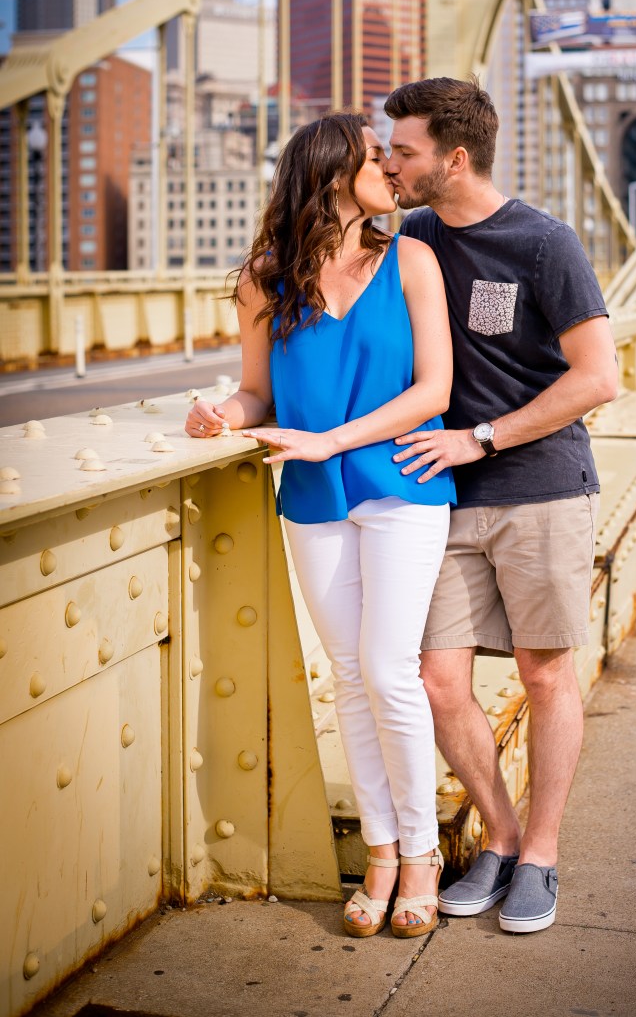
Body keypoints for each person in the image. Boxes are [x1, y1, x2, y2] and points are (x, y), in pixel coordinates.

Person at [184, 113, 456, 939]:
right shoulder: (265, 278)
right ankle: (379, 853)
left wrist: (332, 438)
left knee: (387, 668)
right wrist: (221, 415)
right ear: (334, 171)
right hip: (311, 492)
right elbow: (258, 391)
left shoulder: (412, 260)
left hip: (403, 483)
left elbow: (434, 391)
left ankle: (421, 856)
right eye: (379, 157)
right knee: (347, 673)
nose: (393, 171)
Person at [383, 76, 619, 935]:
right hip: (439, 497)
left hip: (541, 489)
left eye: (402, 150)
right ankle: (503, 838)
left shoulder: (544, 243)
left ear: (452, 156)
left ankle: (544, 856)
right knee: (439, 679)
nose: (388, 162)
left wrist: (482, 437)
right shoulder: (409, 238)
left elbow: (600, 378)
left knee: (544, 673)